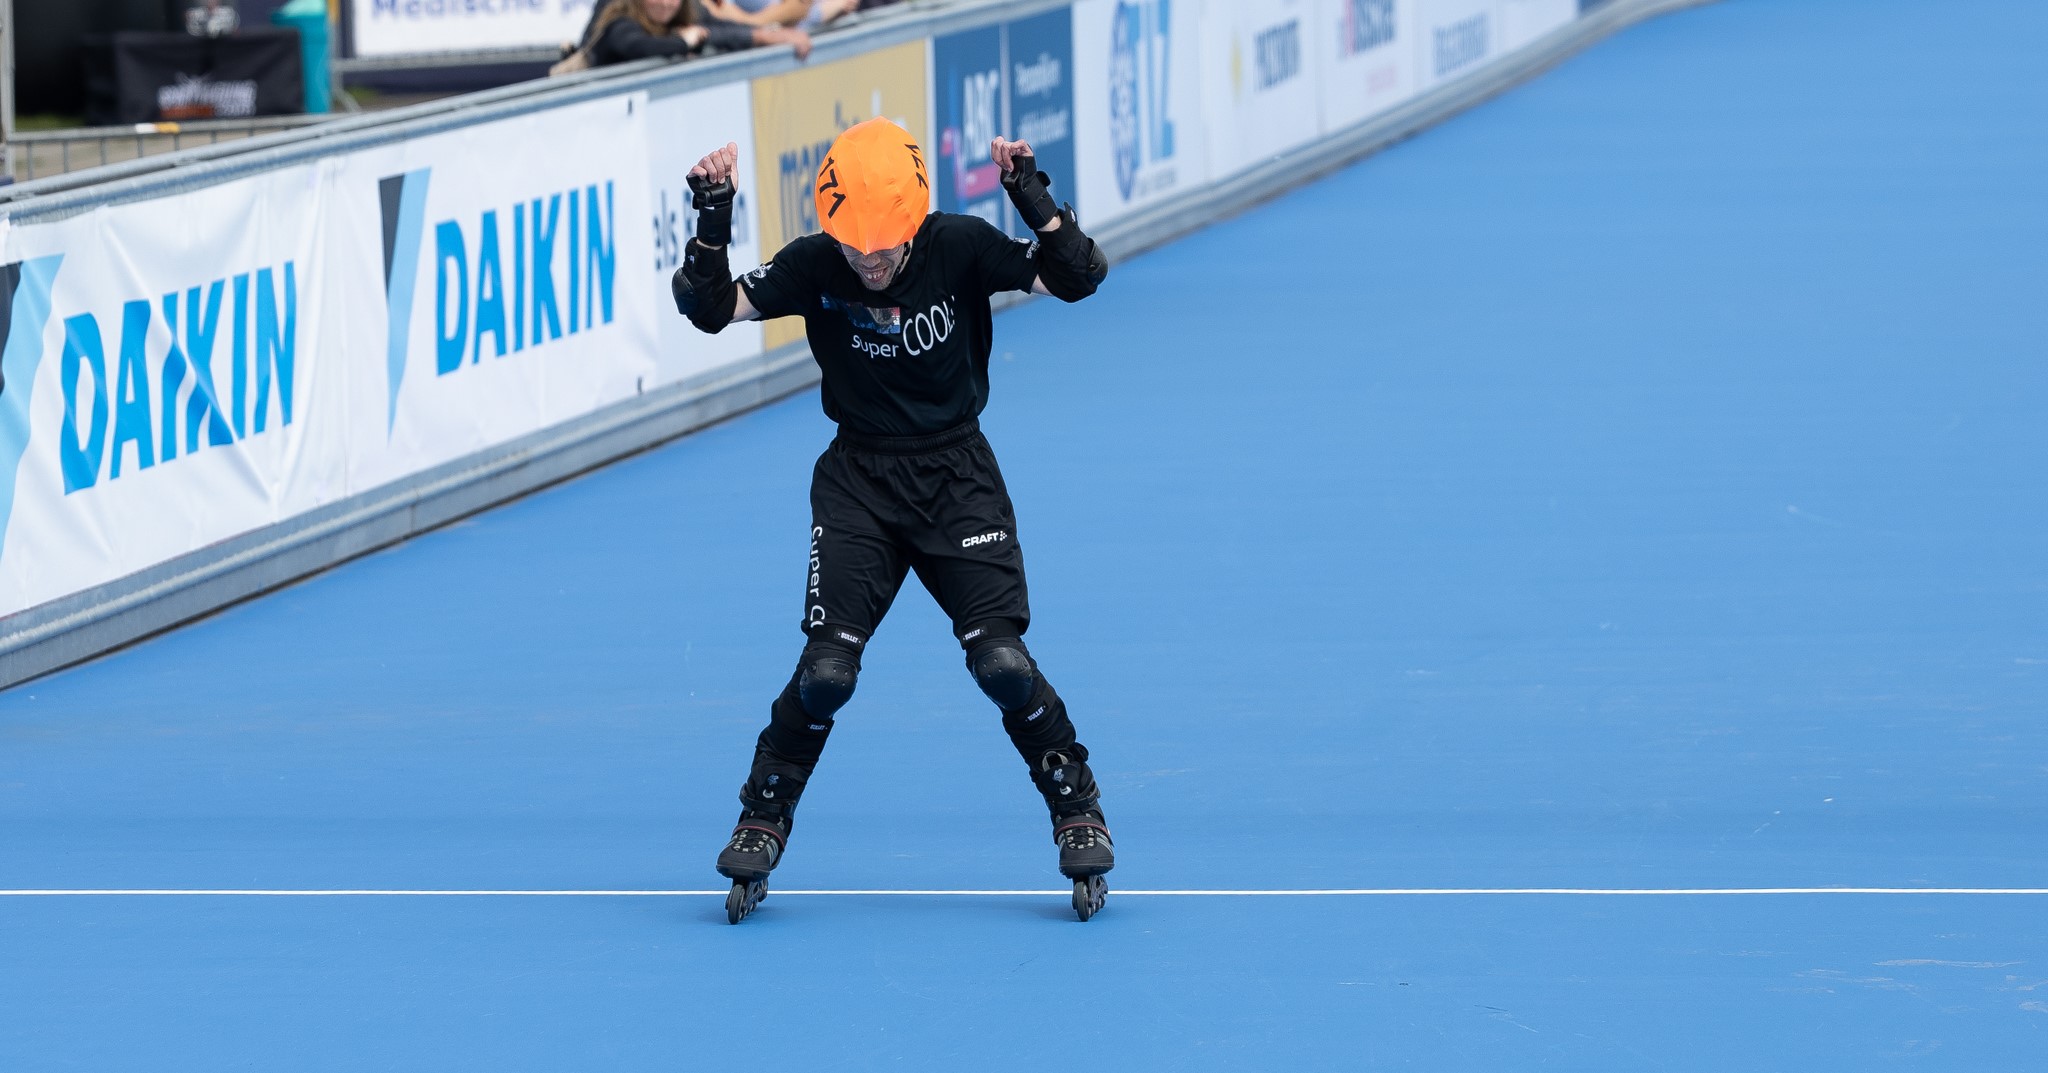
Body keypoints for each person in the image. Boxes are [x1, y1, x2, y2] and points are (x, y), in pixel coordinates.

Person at [671, 118, 1115, 923]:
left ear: (913, 223)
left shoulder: (959, 246)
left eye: (884, 249)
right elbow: (709, 309)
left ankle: (1074, 800)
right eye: (856, 248)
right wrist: (713, 215)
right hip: (860, 483)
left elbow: (1080, 275)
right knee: (826, 672)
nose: (870, 263)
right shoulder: (816, 263)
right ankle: (763, 812)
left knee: (1002, 664)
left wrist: (1030, 194)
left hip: (957, 478)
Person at [572, 0, 811, 68]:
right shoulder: (617, 19)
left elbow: (716, 28)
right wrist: (683, 42)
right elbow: (640, 46)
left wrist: (763, 35)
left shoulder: (686, 10)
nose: (666, 4)